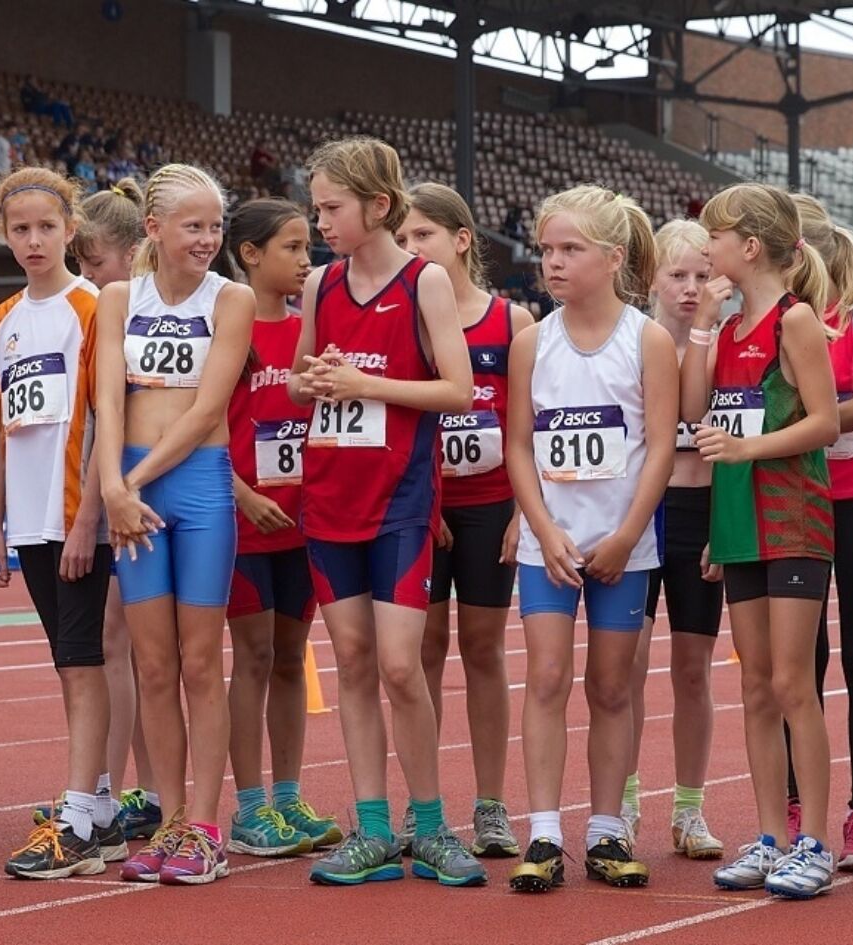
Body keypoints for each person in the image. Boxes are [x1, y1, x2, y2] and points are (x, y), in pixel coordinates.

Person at [289, 137, 482, 888]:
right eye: (316, 208)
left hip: (400, 498)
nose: (323, 221)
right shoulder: (319, 286)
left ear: (377, 204)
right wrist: (317, 382)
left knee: (403, 666)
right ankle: (371, 828)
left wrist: (368, 384)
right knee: (356, 663)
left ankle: (429, 825)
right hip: (328, 493)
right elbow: (304, 382)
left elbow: (458, 390)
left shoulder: (425, 281)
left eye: (333, 208)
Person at [504, 185, 672, 894]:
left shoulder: (648, 340)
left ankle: (607, 830)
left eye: (570, 249)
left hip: (621, 547)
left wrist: (627, 533)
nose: (554, 262)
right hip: (553, 546)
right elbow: (518, 446)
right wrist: (543, 529)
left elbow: (661, 445)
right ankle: (544, 831)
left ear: (612, 257)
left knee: (610, 685)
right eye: (547, 249)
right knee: (545, 678)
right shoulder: (531, 343)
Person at [682, 183, 840, 900]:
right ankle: (771, 834)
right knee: (752, 684)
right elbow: (693, 411)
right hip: (738, 522)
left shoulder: (794, 320)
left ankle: (817, 842)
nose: (703, 248)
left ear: (748, 246)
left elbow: (826, 422)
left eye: (713, 236)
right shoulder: (730, 326)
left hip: (794, 518)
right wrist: (702, 327)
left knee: (790, 682)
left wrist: (752, 449)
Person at [98, 163, 253, 885]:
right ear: (153, 229)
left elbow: (204, 411)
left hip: (194, 485)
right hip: (128, 482)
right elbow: (105, 401)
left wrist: (129, 483)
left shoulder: (234, 298)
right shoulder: (118, 298)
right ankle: (167, 822)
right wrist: (111, 485)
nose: (207, 238)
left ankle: (206, 825)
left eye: (214, 226)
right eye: (193, 226)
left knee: (199, 661)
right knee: (152, 664)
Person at [0, 167, 122, 879]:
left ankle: (78, 818)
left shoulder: (95, 306)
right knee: (69, 662)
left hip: (78, 519)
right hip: (31, 521)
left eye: (45, 226)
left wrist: (86, 517)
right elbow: (1, 425)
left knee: (84, 659)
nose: (33, 240)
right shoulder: (3, 319)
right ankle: (95, 804)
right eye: (19, 229)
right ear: (4, 236)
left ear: (72, 229)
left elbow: (104, 416)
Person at [396, 181, 530, 858]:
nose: (411, 248)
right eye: (402, 239)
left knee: (483, 651)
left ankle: (491, 805)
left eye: (422, 235)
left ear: (461, 239)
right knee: (420, 652)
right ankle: (426, 810)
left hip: (491, 508)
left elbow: (527, 427)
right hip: (423, 508)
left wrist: (523, 516)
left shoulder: (511, 323)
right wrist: (426, 498)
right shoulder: (405, 320)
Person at [218, 198, 343, 855]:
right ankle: (247, 807)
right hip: (243, 522)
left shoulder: (310, 331)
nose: (306, 260)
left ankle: (288, 798)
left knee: (292, 658)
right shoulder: (226, 329)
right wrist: (241, 495)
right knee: (255, 655)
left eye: (308, 247)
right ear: (250, 254)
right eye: (292, 247)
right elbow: (203, 429)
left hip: (304, 521)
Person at [783, 194, 853, 872]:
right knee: (800, 661)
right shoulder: (784, 322)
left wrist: (806, 421)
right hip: (797, 499)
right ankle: (798, 803)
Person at [71, 181, 163, 841]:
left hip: (145, 487)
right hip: (111, 482)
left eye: (95, 263)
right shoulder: (107, 310)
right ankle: (121, 789)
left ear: (134, 252)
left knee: (144, 647)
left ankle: (152, 791)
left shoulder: (142, 311)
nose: (88, 276)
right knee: (119, 645)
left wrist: (103, 500)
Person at [638, 219, 725, 859]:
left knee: (692, 670)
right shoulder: (630, 344)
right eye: (678, 276)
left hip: (699, 511)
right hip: (643, 511)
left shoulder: (727, 344)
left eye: (702, 274)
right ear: (652, 280)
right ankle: (622, 800)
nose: (691, 288)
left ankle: (689, 809)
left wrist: (723, 528)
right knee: (625, 667)